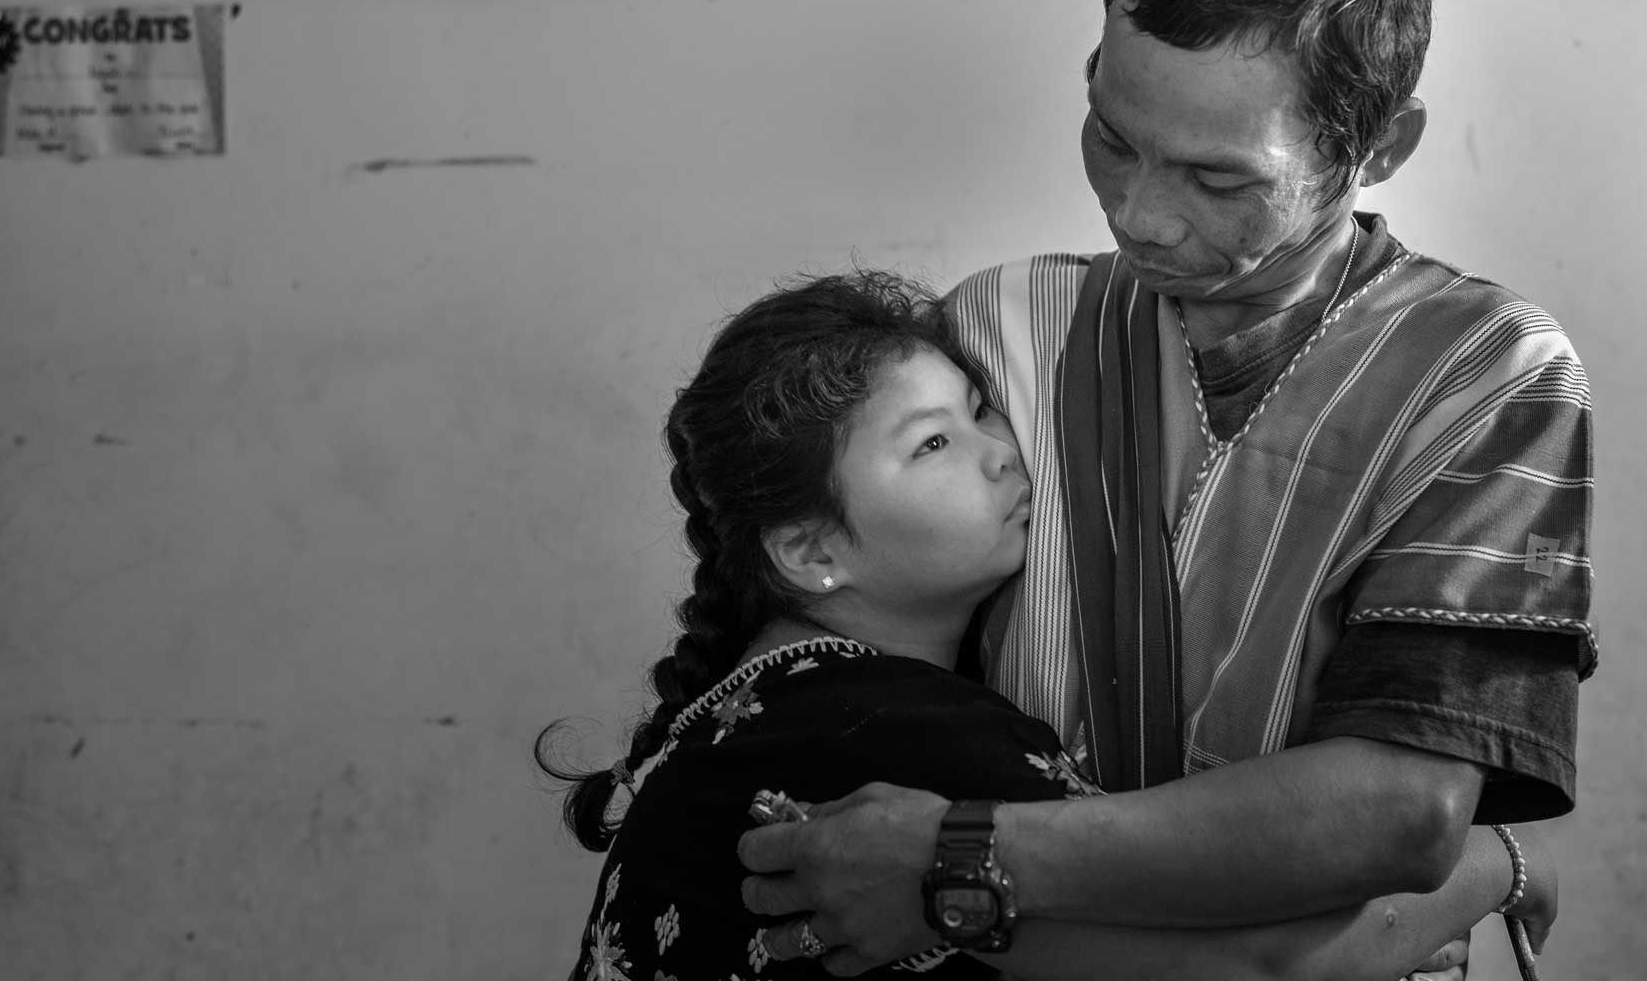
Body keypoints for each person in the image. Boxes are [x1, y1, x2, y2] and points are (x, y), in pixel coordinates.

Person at [738, 0, 1594, 981]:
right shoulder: (1002, 326)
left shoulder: (1487, 376)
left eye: (1220, 180)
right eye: (1111, 136)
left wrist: (962, 856)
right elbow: (835, 650)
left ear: (1379, 146)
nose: (1140, 215)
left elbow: (1397, 810)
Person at [543, 270, 1557, 980]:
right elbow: (1265, 962)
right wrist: (1505, 863)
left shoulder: (751, 713)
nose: (999, 451)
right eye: (932, 442)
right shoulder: (900, 740)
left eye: (983, 409)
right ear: (812, 550)